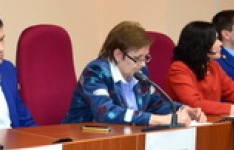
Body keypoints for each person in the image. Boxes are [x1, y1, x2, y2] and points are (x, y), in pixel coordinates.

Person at [64, 21, 205, 126]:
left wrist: (181, 109)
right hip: (83, 141)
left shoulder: (140, 71)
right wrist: (157, 120)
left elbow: (154, 103)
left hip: (126, 137)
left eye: (146, 57)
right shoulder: (95, 72)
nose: (143, 64)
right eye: (137, 58)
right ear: (118, 55)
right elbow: (106, 112)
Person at [167, 21, 234, 116]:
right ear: (202, 44)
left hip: (213, 121)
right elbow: (194, 104)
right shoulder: (178, 69)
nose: (220, 43)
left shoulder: (213, 65)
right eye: (216, 39)